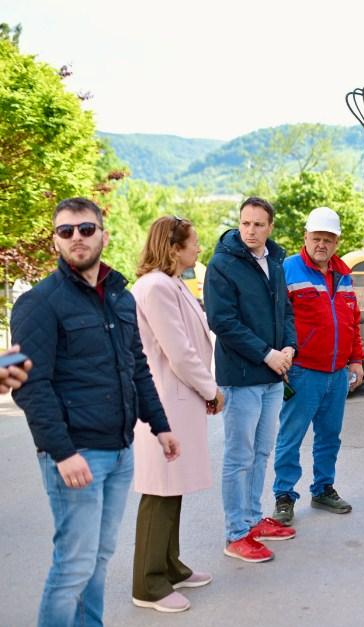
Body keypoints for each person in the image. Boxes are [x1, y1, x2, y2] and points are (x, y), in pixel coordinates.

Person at [11, 197, 180, 627]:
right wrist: (62, 452)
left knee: (99, 560)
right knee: (73, 566)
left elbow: (136, 367)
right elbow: (31, 386)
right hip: (76, 455)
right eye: (65, 231)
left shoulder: (120, 300)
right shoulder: (39, 303)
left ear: (103, 234)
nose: (76, 238)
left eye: (85, 229)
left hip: (120, 451)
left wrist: (160, 426)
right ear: (56, 241)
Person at [129, 216, 225, 613]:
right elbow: (179, 350)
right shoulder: (155, 287)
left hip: (178, 401)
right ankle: (148, 584)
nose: (198, 249)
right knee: (159, 490)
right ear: (173, 248)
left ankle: (169, 565)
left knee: (173, 486)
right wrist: (210, 388)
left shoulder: (170, 284)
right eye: (193, 243)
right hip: (165, 402)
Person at [205, 197, 298, 563]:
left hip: (274, 374)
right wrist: (266, 353)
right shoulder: (223, 265)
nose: (251, 231)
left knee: (261, 452)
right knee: (239, 456)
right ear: (239, 224)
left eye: (258, 224)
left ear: (270, 227)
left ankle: (251, 519)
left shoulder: (274, 260)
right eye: (245, 223)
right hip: (242, 376)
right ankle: (235, 534)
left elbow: (285, 310)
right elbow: (223, 322)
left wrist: (289, 346)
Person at [271, 207, 364, 524]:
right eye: (316, 238)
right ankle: (284, 495)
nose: (321, 244)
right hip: (303, 372)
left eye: (328, 239)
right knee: (291, 436)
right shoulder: (289, 270)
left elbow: (352, 320)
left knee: (329, 436)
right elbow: (276, 320)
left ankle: (323, 488)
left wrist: (356, 360)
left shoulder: (345, 276)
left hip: (337, 373)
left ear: (337, 242)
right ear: (306, 237)